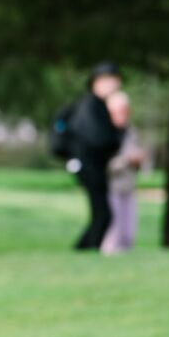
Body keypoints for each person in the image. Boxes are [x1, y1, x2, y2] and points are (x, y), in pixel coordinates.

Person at [68, 62, 124, 251]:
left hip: (96, 165)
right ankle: (85, 249)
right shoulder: (90, 106)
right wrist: (117, 135)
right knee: (103, 214)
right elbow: (96, 138)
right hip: (90, 165)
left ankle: (86, 249)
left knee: (103, 214)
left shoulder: (99, 106)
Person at [101, 90, 146, 254]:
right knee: (114, 233)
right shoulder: (104, 134)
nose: (123, 114)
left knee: (129, 232)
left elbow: (136, 159)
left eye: (125, 110)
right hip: (111, 188)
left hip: (129, 186)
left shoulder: (130, 132)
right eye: (119, 110)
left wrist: (138, 159)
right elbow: (104, 164)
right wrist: (126, 159)